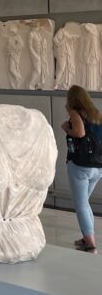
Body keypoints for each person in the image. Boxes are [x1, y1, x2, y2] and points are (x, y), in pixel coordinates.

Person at [61, 85, 102, 254]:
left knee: (81, 204)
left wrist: (66, 128)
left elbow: (79, 133)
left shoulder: (75, 112)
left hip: (80, 166)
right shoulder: (97, 114)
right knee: (85, 203)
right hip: (98, 167)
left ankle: (90, 243)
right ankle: (86, 238)